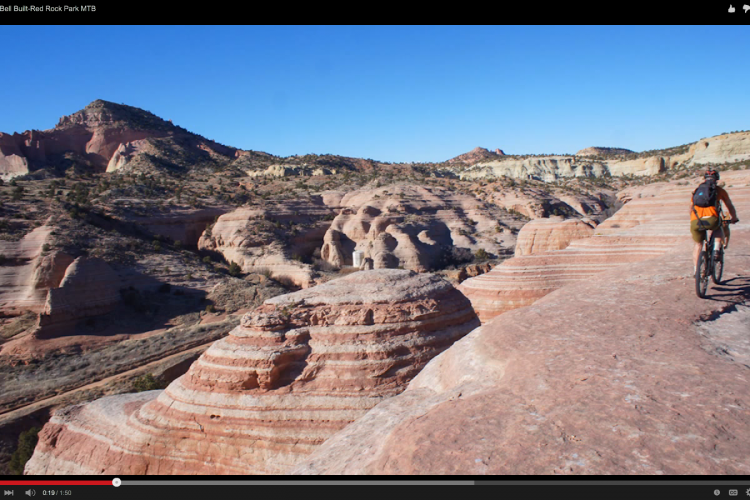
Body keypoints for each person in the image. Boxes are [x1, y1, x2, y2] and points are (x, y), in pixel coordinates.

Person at [690, 169, 739, 273]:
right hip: (712, 219)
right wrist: (734, 217)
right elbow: (729, 205)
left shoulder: (697, 190)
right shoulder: (719, 190)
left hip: (696, 220)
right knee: (718, 227)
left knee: (698, 244)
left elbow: (691, 207)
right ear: (717, 179)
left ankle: (696, 271)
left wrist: (692, 220)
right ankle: (716, 249)